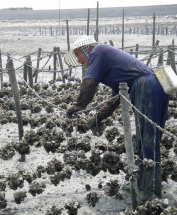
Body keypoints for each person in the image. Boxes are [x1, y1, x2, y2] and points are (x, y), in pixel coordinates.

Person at [64, 35, 170, 205]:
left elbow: (90, 84)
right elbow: (116, 98)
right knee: (146, 140)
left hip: (147, 86)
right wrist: (98, 117)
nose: (78, 60)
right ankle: (143, 183)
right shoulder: (114, 68)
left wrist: (77, 106)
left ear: (87, 49)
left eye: (78, 54)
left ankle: (150, 191)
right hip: (150, 86)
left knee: (148, 139)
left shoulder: (98, 50)